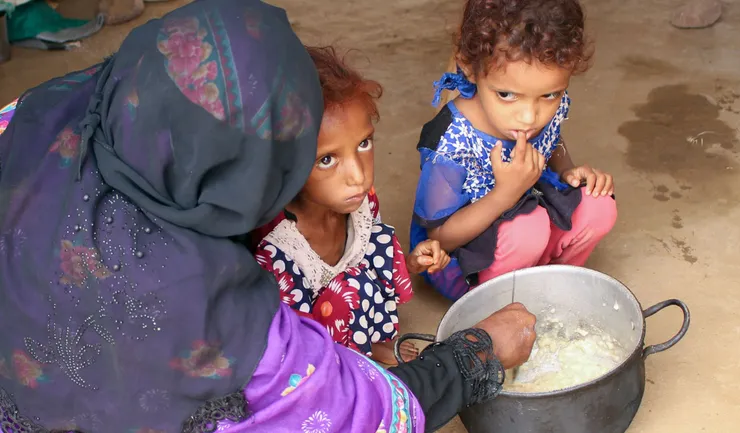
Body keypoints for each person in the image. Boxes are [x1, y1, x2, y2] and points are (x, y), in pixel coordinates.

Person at [0, 1, 537, 432]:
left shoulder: (37, 111)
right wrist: (477, 353)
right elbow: (348, 413)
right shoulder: (202, 305)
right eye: (299, 158)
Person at [252, 46, 450, 366]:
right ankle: (349, 364)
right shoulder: (279, 252)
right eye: (327, 160)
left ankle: (375, 339)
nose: (358, 175)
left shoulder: (361, 201)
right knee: (346, 291)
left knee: (378, 239)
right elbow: (287, 344)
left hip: (349, 305)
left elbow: (377, 258)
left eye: (364, 144)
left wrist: (411, 263)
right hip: (313, 351)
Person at [410, 0, 619, 302]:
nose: (529, 117)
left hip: (525, 217)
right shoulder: (452, 142)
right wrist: (504, 195)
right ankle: (497, 307)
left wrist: (567, 171)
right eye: (507, 95)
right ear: (470, 68)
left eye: (549, 95)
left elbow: (552, 138)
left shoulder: (543, 104)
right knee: (527, 229)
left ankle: (550, 288)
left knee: (598, 206)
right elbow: (439, 237)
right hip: (463, 262)